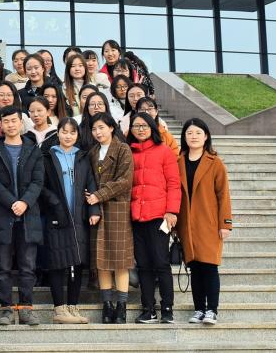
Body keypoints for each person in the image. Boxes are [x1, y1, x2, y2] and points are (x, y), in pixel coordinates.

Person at [0, 105, 45, 326]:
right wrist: (12, 202)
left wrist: (25, 202)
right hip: (3, 215)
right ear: (1, 125)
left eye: (14, 121)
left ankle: (26, 307)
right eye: (6, 121)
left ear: (21, 123)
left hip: (28, 216)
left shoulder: (33, 149)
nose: (10, 125)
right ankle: (6, 308)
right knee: (3, 266)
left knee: (28, 266)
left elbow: (38, 180)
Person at [40, 118, 101, 325]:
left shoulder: (82, 157)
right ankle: (59, 308)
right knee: (57, 262)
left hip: (79, 216)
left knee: (78, 261)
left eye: (72, 132)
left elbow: (91, 184)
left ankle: (73, 307)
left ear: (77, 135)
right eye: (64, 132)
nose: (68, 136)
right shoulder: (48, 156)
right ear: (57, 133)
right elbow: (41, 185)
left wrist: (94, 210)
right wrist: (55, 202)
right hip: (56, 216)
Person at [177, 118, 232, 326]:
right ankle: (199, 308)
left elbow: (223, 195)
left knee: (209, 267)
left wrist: (225, 223)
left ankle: (212, 310)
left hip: (209, 222)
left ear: (206, 136)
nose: (193, 137)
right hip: (186, 223)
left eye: (198, 133)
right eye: (189, 133)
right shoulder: (178, 162)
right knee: (195, 268)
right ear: (184, 137)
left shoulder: (215, 162)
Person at [127, 112, 181, 325]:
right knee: (143, 265)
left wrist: (172, 211)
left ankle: (167, 308)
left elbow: (174, 183)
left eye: (144, 125)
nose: (140, 129)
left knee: (161, 263)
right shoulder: (128, 152)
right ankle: (148, 309)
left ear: (152, 127)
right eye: (136, 126)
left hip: (159, 216)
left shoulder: (164, 151)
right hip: (136, 217)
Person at [86, 112, 134, 324]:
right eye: (94, 129)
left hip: (117, 210)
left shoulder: (123, 149)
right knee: (101, 260)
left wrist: (99, 194)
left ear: (112, 128)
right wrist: (90, 196)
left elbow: (125, 181)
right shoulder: (92, 152)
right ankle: (107, 305)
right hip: (97, 211)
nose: (98, 132)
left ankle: (121, 306)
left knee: (120, 260)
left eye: (101, 128)